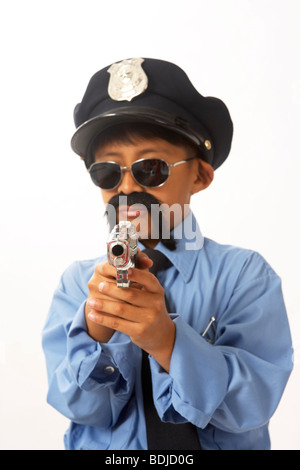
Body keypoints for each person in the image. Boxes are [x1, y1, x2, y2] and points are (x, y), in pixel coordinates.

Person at [42, 58, 293, 450]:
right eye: (107, 172)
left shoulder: (246, 275)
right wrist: (94, 334)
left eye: (151, 168)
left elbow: (254, 403)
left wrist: (168, 340)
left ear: (200, 176)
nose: (125, 188)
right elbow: (82, 409)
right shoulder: (78, 286)